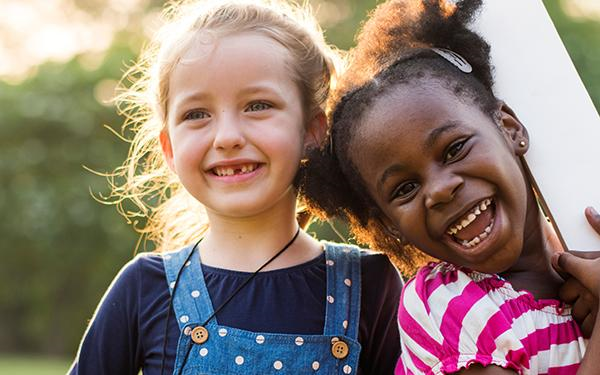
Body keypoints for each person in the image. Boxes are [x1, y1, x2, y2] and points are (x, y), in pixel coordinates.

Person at [69, 1, 402, 374]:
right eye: (197, 114)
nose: (227, 137)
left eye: (257, 105)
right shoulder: (145, 288)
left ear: (312, 129)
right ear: (170, 149)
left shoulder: (372, 286)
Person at [303, 0, 600, 373]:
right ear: (390, 224)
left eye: (455, 149)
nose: (440, 190)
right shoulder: (446, 304)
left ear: (509, 129)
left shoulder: (586, 259)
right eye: (404, 188)